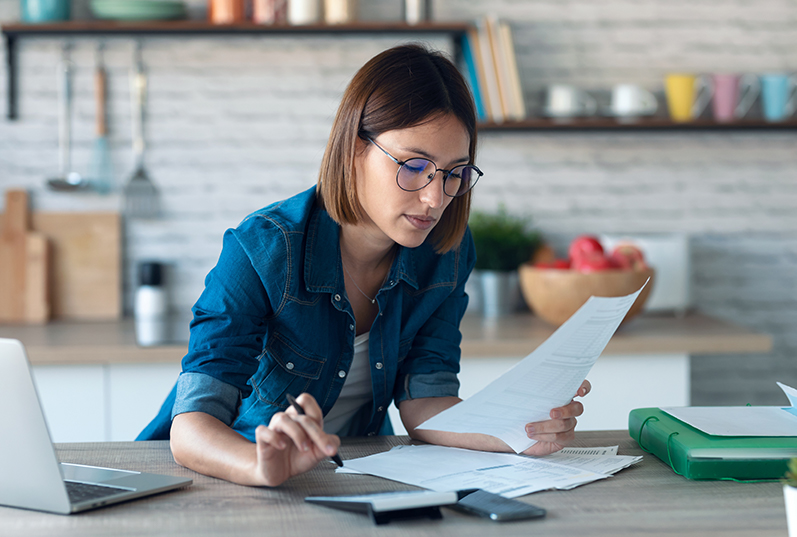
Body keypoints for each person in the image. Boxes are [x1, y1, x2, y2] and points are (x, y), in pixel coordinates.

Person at [138, 43, 590, 487]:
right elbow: (192, 426)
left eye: (456, 173)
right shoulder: (262, 249)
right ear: (355, 148)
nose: (436, 199)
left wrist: (518, 433)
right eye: (414, 165)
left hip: (347, 477)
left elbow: (424, 403)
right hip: (226, 478)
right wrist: (259, 466)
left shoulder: (446, 252)